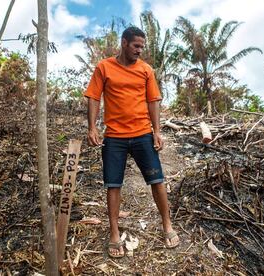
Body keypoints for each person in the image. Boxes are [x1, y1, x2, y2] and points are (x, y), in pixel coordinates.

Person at [84, 26, 180, 258]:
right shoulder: (104, 67)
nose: (139, 50)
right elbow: (94, 97)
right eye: (136, 46)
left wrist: (157, 131)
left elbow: (153, 101)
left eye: (142, 47)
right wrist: (92, 127)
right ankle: (114, 233)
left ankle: (167, 225)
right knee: (113, 184)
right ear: (124, 43)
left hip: (141, 135)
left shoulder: (146, 70)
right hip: (114, 136)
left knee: (157, 179)